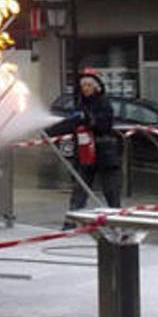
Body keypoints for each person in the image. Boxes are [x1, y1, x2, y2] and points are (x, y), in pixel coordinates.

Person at [64, 68, 122, 229]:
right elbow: (71, 125)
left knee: (111, 190)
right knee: (80, 188)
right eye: (83, 85)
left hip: (105, 154)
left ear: (96, 87)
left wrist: (89, 119)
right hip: (85, 154)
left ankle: (116, 222)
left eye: (89, 85)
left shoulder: (104, 103)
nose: (86, 88)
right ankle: (72, 221)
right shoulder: (80, 103)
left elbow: (105, 124)